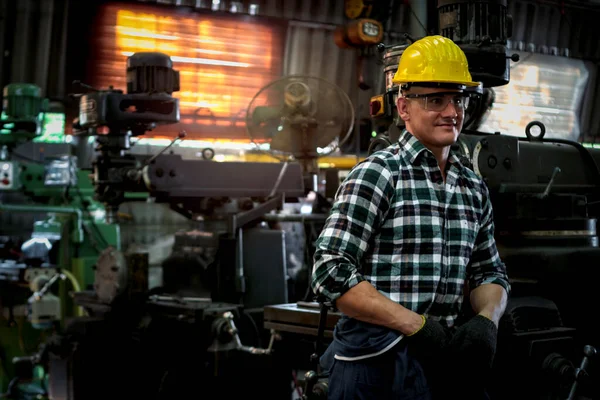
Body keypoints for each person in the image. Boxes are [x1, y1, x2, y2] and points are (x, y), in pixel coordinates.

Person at [310, 35, 511, 400]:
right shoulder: (380, 174)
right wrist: (415, 325)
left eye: (459, 99)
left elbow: (489, 271)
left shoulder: (471, 186)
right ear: (403, 107)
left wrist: (486, 320)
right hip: (375, 366)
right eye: (436, 99)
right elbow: (330, 272)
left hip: (445, 362)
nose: (452, 112)